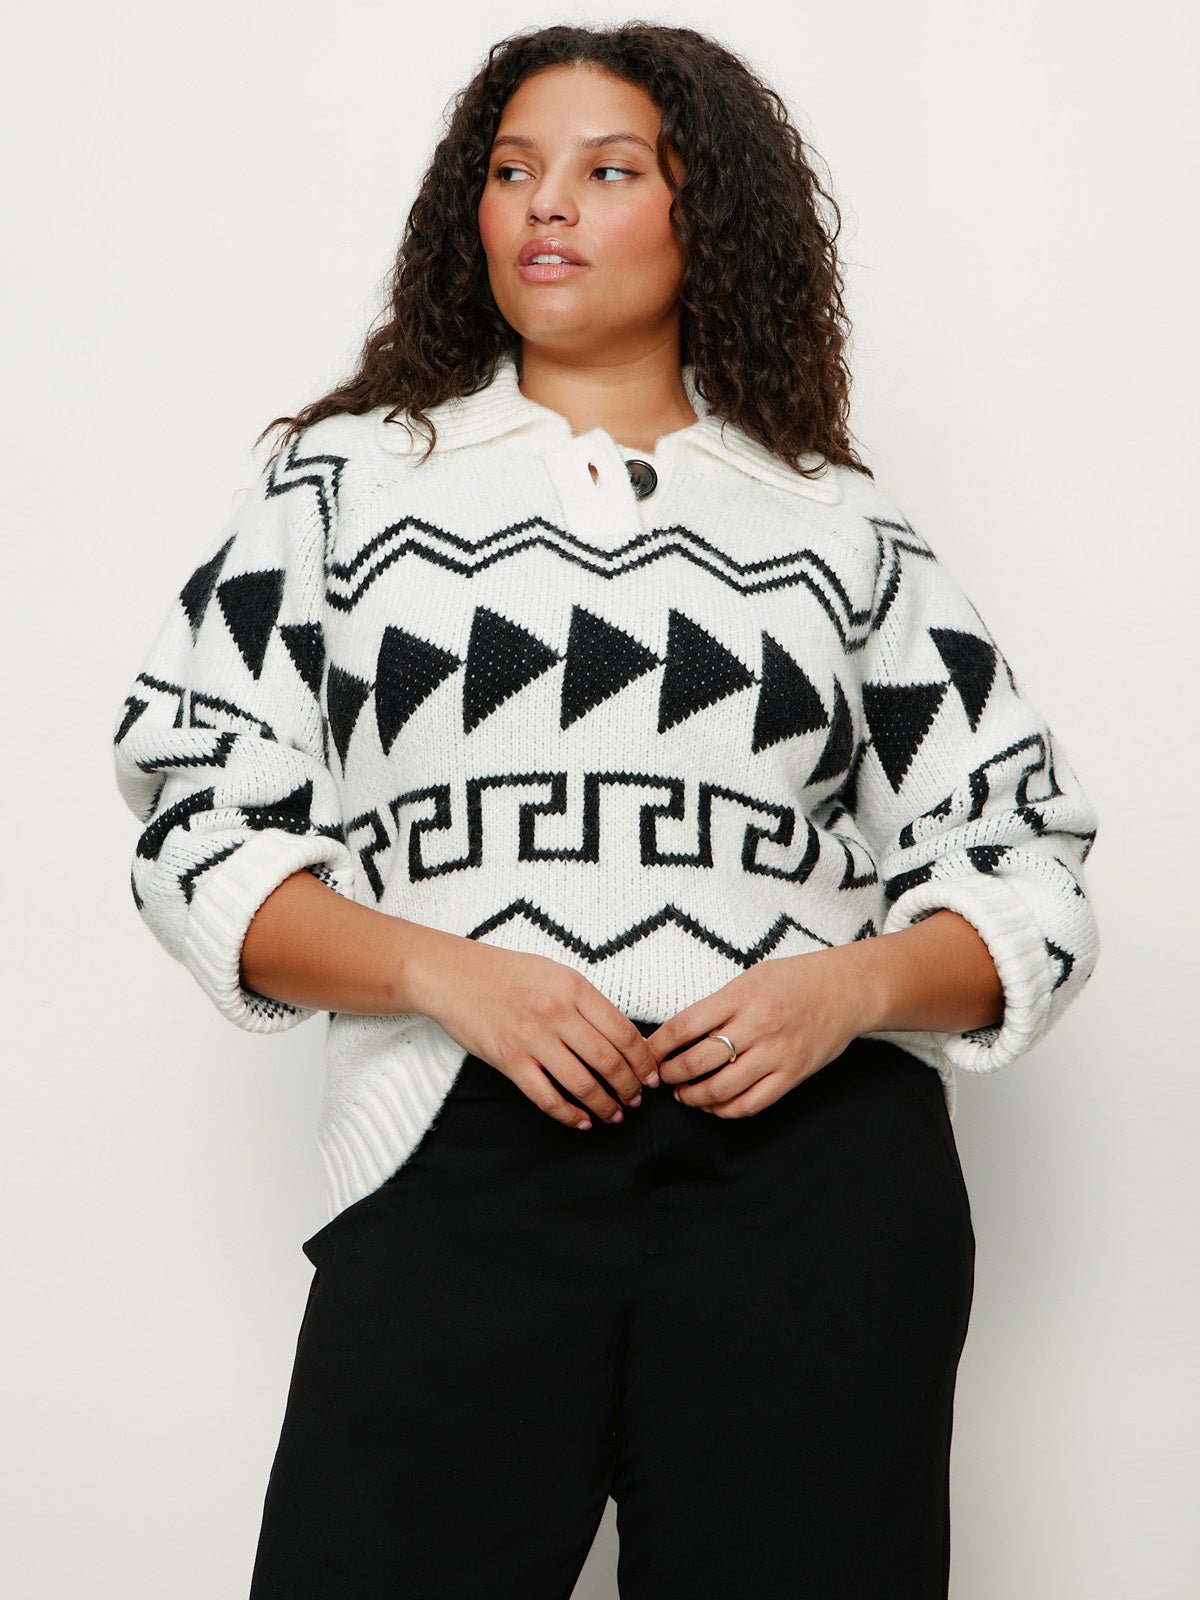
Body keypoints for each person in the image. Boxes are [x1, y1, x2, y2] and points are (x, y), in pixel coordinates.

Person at [110, 21, 1101, 1599]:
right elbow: (192, 816)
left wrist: (844, 990)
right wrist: (442, 971)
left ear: (710, 214)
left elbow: (1029, 868)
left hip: (813, 1178)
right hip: (457, 1154)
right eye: (512, 171)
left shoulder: (838, 528)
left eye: (608, 169)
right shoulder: (346, 490)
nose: (547, 205)